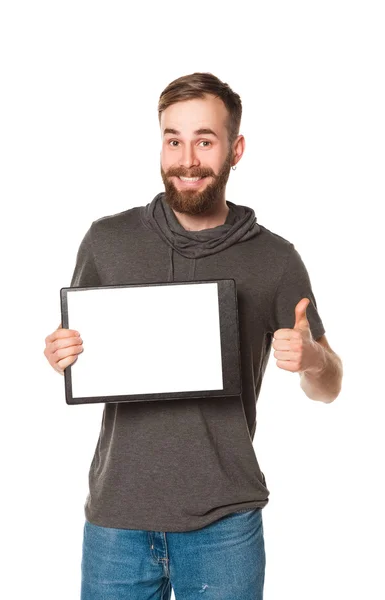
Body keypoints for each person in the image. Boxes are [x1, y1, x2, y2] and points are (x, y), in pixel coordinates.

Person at [44, 72, 343, 600]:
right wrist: (63, 353)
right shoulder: (107, 241)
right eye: (173, 140)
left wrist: (314, 358)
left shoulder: (274, 259)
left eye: (204, 141)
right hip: (117, 519)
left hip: (224, 523)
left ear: (235, 149)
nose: (187, 159)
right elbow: (81, 352)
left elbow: (329, 385)